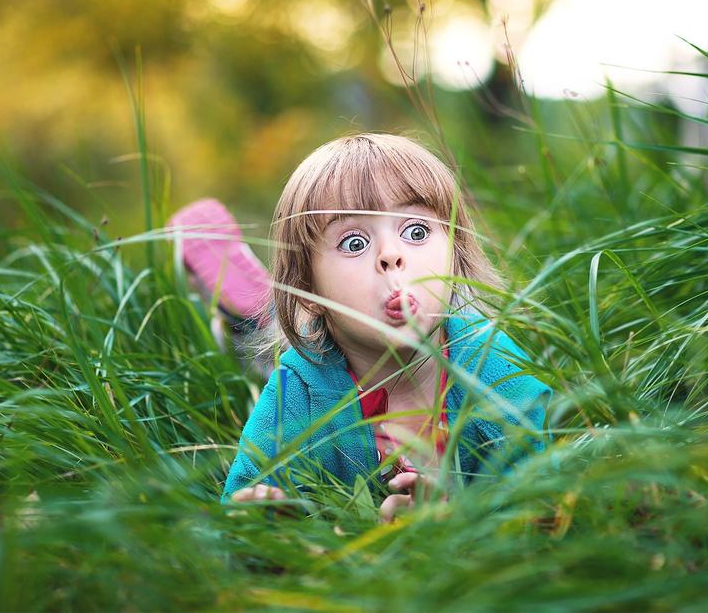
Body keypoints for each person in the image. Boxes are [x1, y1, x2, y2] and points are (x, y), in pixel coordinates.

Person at [169, 133, 551, 522]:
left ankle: (250, 319)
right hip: (324, 359)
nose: (391, 255)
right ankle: (252, 318)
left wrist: (457, 521)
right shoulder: (298, 389)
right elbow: (243, 515)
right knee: (294, 357)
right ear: (306, 290)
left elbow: (546, 498)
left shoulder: (492, 363)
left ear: (457, 255)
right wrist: (275, 525)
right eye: (354, 243)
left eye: (416, 232)